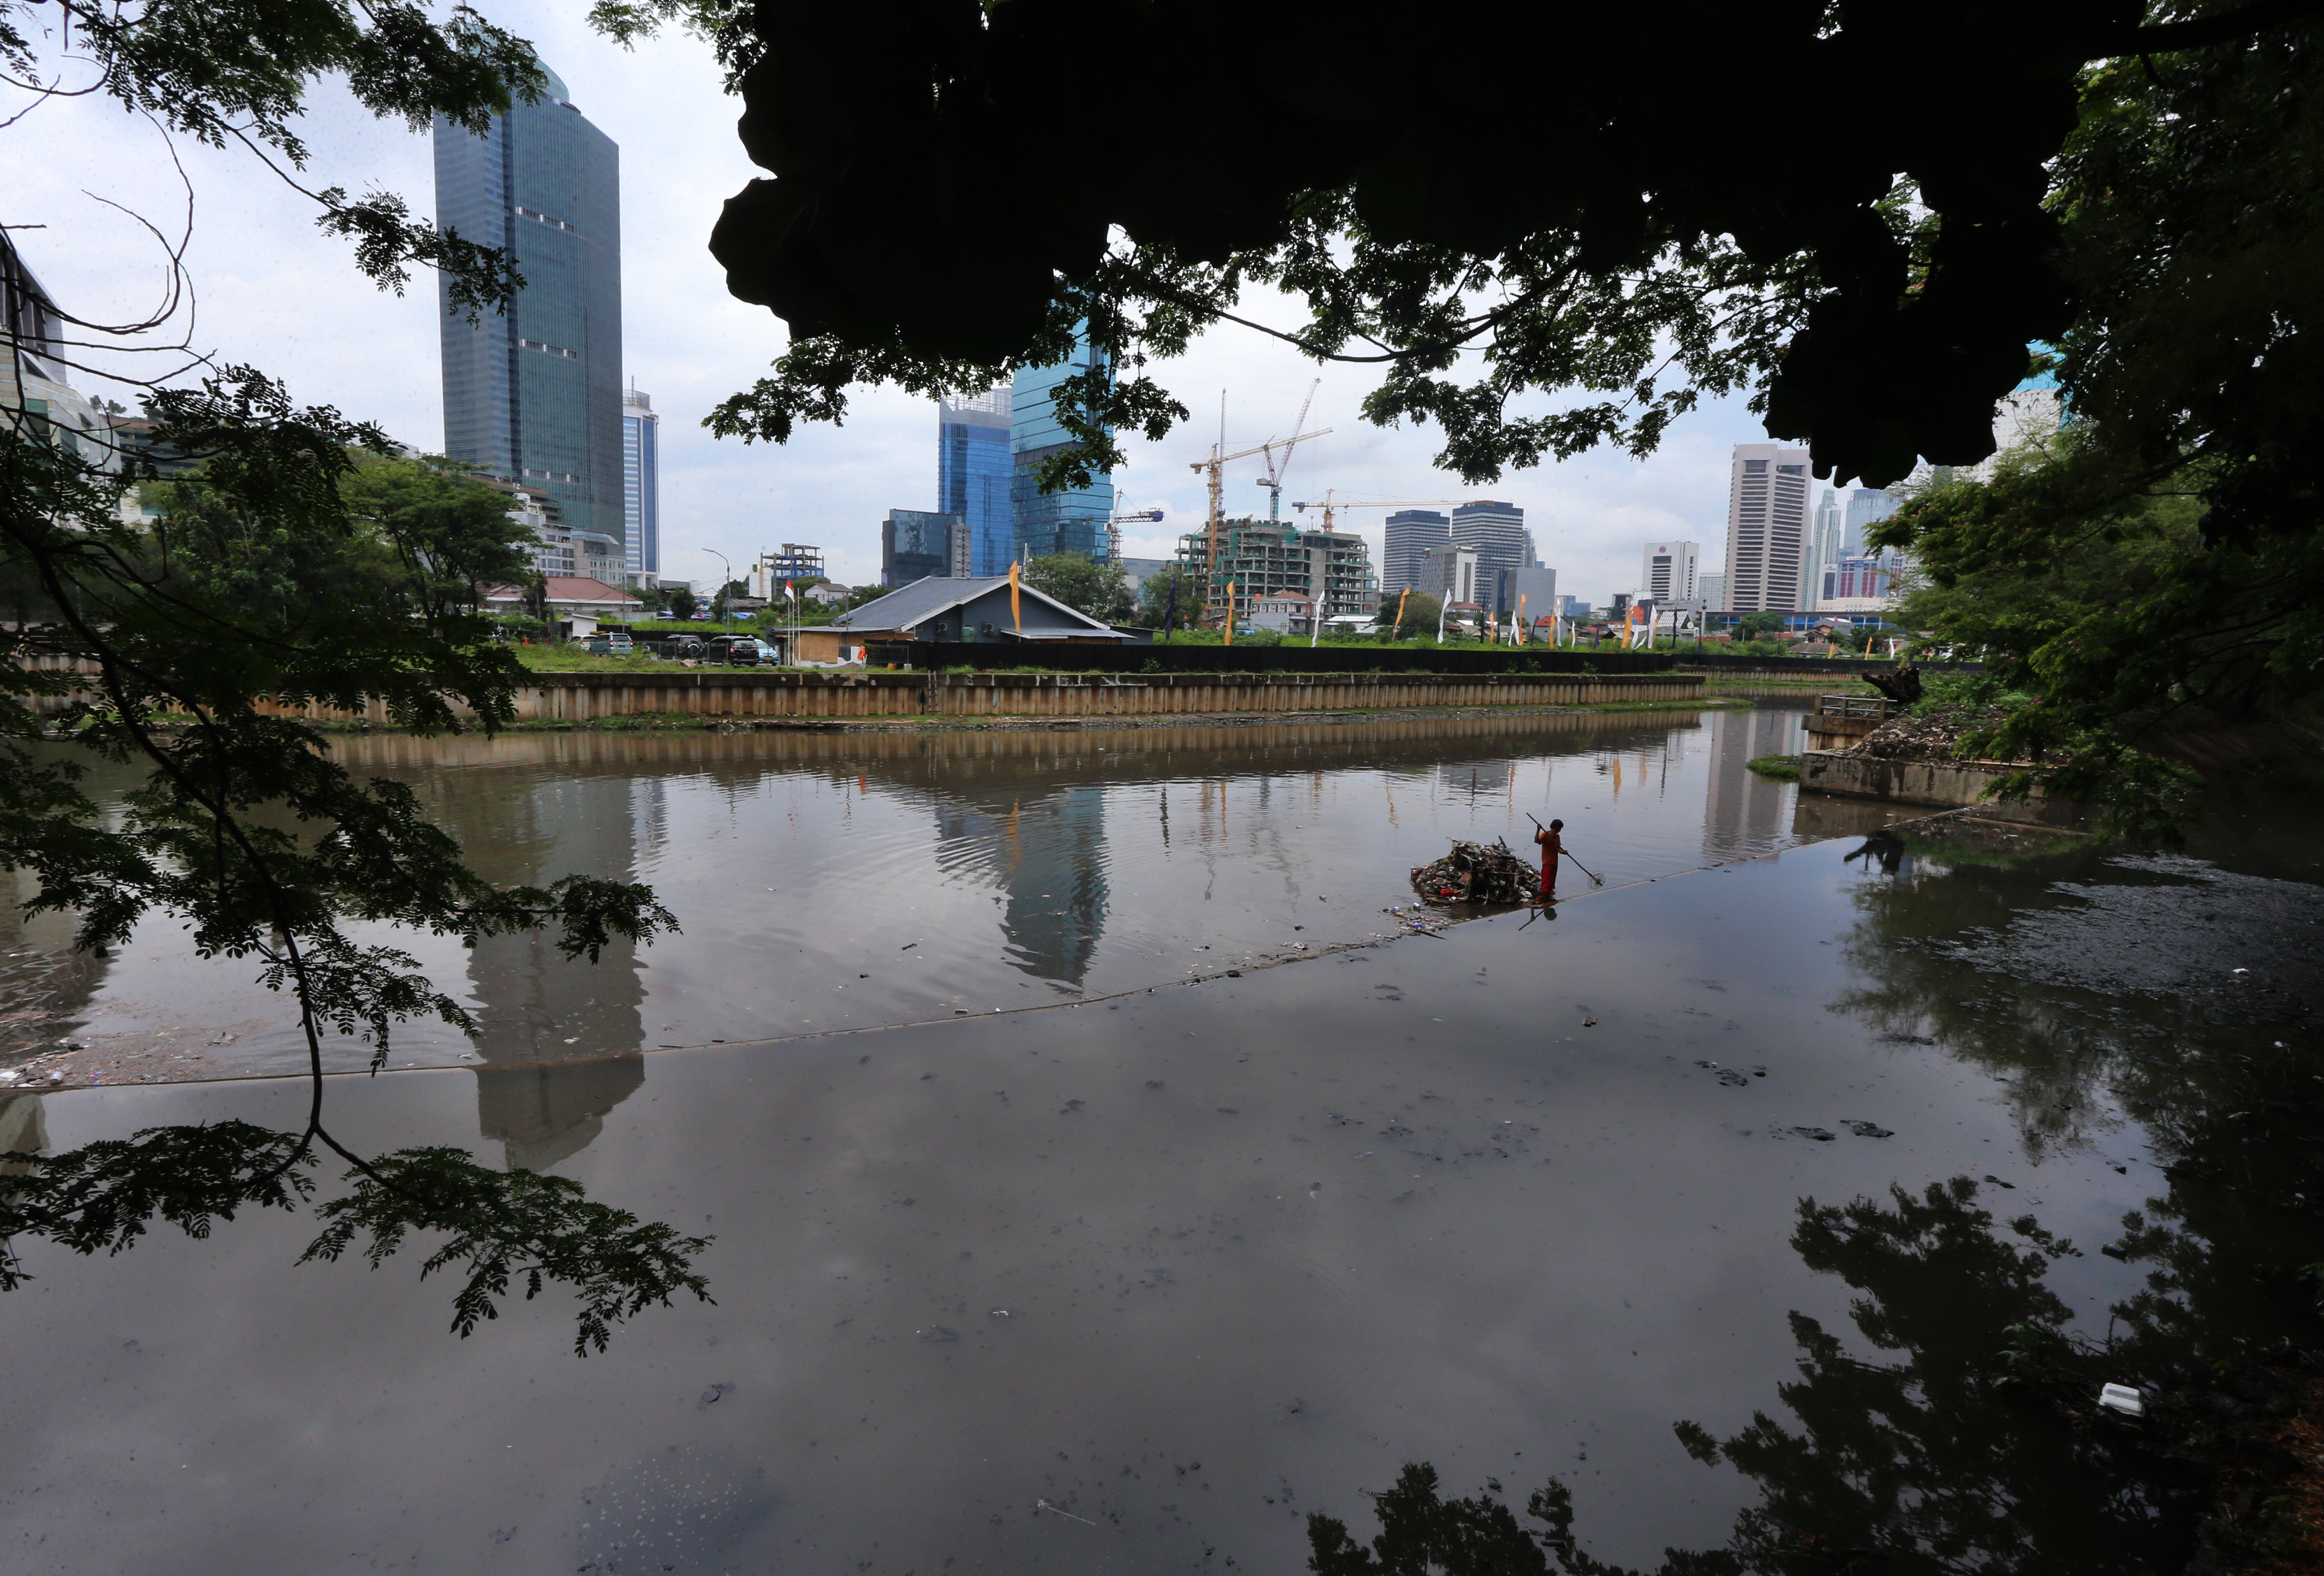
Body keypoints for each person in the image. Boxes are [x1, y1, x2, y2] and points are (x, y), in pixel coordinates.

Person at [1532, 817, 1563, 900]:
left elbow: (1558, 848)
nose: (1560, 830)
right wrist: (1538, 830)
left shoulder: (1557, 837)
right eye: (1559, 828)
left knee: (1552, 882)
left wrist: (1563, 852)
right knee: (1547, 881)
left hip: (1555, 862)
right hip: (1547, 862)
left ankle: (1548, 897)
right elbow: (1537, 841)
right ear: (1555, 827)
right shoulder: (1545, 835)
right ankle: (1544, 898)